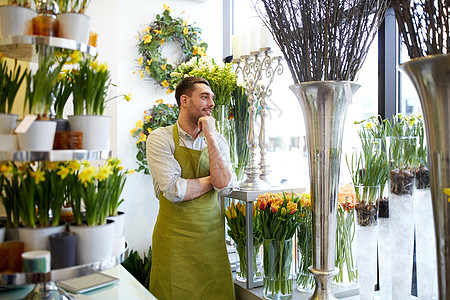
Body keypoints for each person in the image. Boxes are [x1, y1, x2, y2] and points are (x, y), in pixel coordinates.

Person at [146, 76, 237, 300]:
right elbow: (175, 191)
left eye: (212, 98)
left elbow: (226, 186)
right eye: (204, 97)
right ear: (184, 100)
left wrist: (211, 137)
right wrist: (213, 180)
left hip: (211, 241)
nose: (212, 103)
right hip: (174, 241)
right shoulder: (160, 138)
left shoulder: (218, 140)